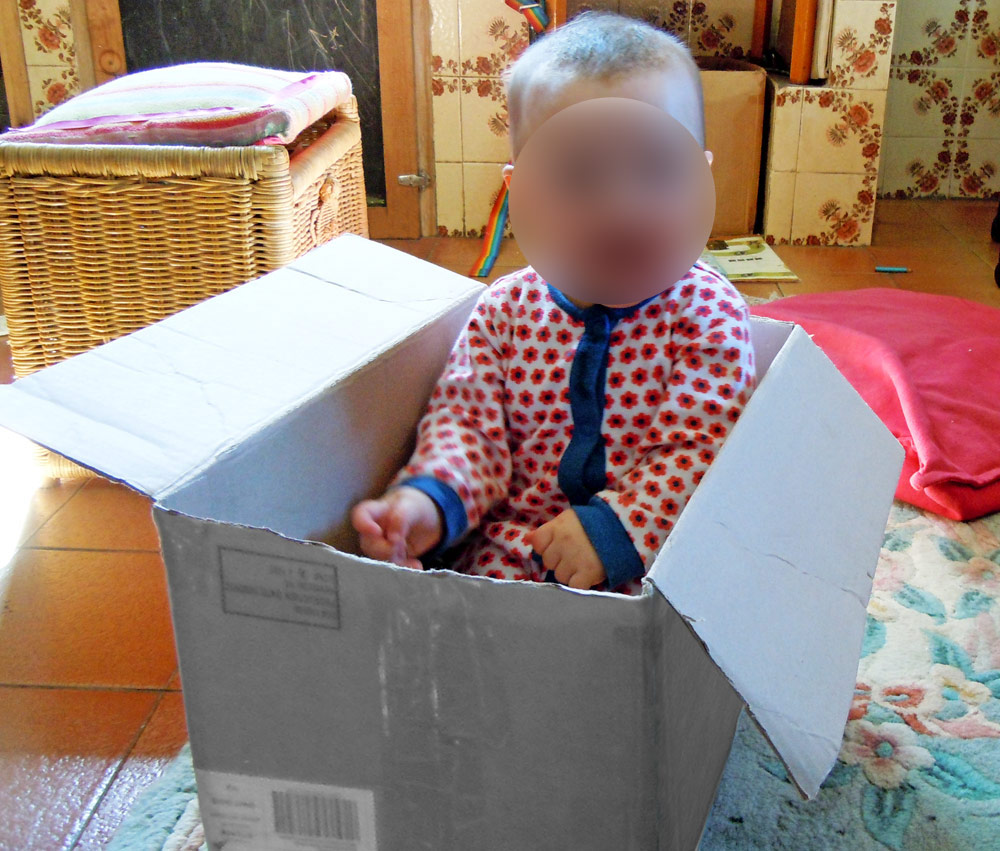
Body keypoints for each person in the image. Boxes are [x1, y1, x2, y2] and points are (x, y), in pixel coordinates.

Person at [351, 11, 755, 595]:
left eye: (658, 170)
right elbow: (468, 427)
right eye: (580, 177)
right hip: (504, 567)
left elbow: (704, 448)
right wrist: (426, 505)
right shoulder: (505, 311)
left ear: (700, 177)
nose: (622, 210)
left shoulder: (708, 312)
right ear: (523, 191)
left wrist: (614, 529)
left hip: (644, 574)